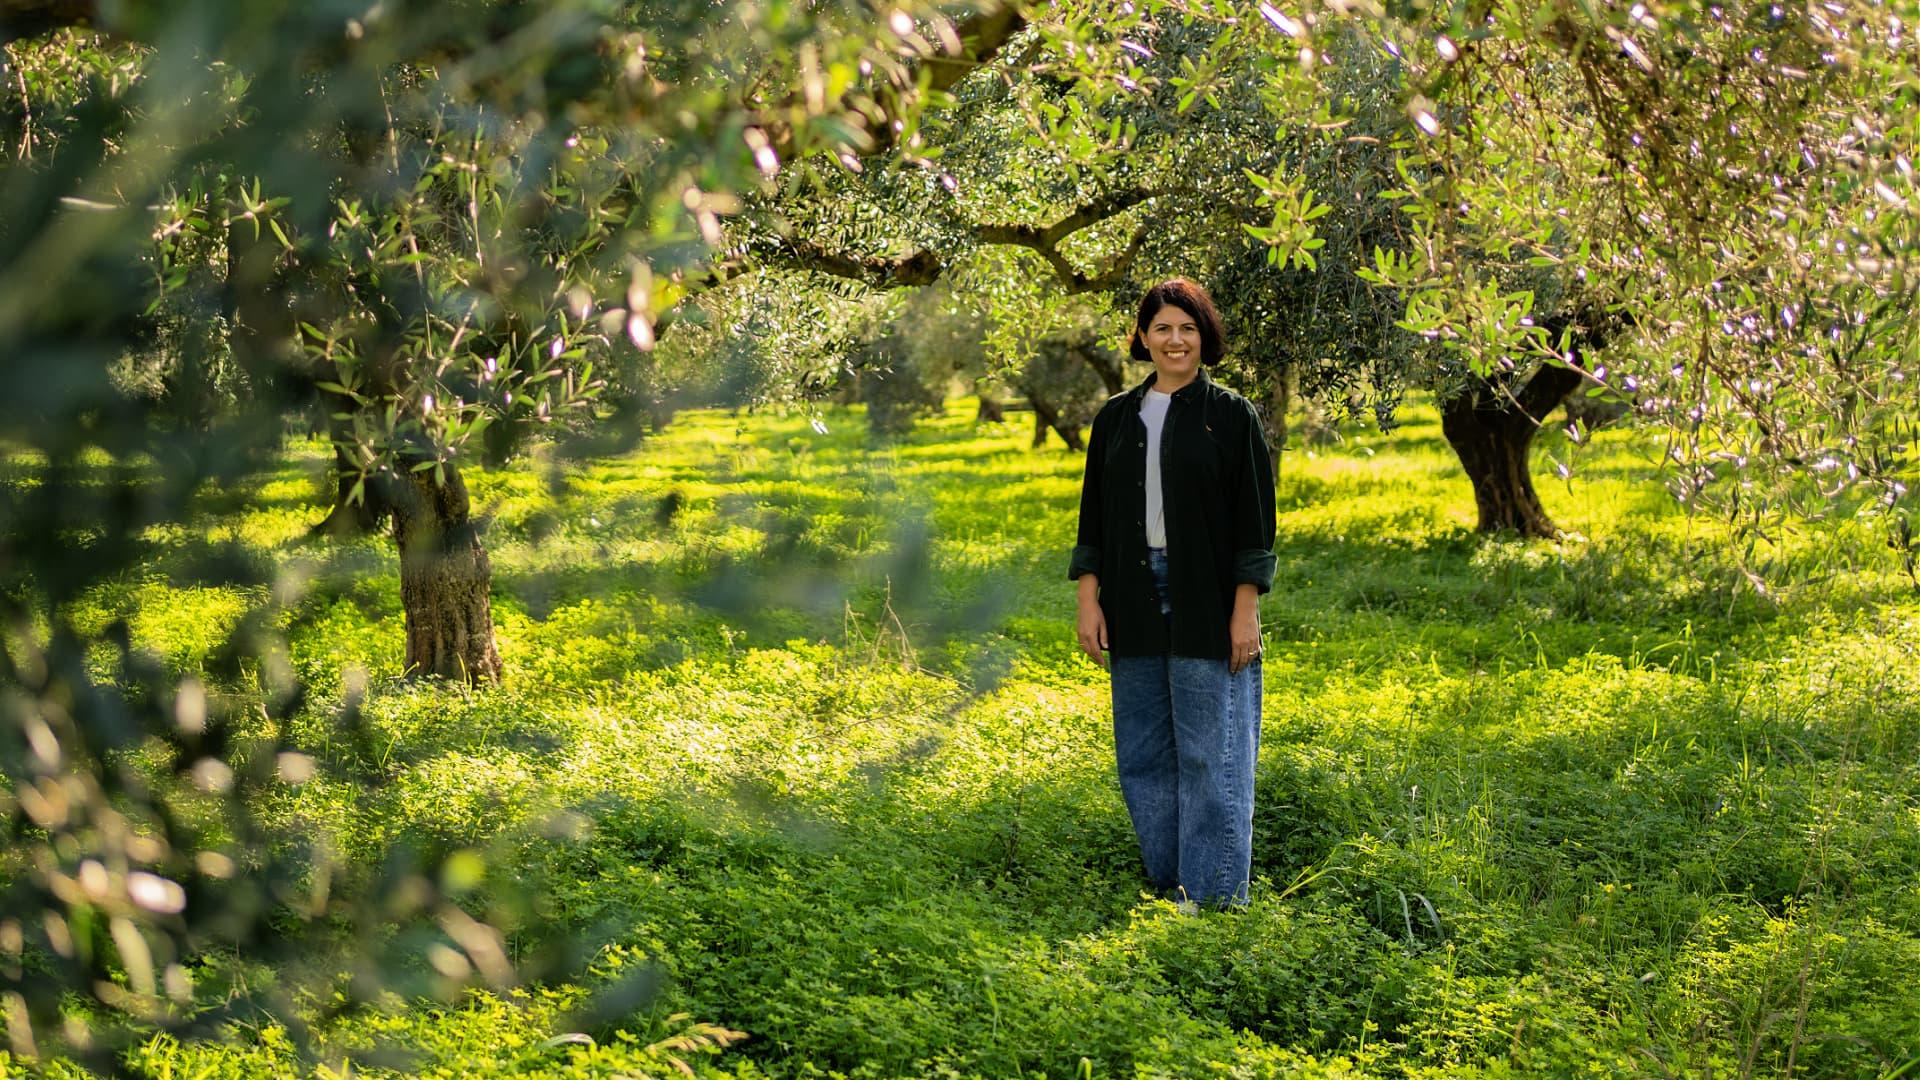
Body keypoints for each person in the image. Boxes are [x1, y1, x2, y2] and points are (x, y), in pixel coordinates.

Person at [1068, 278, 1276, 909]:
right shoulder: (1116, 419)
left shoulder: (1231, 416)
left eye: (1186, 328)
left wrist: (1245, 612)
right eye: (1162, 328)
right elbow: (1093, 519)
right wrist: (1088, 597)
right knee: (1144, 754)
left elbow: (1254, 524)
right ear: (1144, 337)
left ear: (1203, 337)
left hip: (1206, 599)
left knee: (1212, 757)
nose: (1175, 340)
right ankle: (1168, 889)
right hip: (1130, 596)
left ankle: (1211, 901)